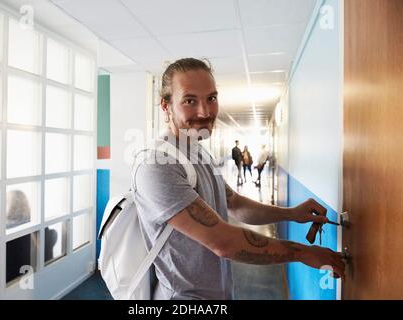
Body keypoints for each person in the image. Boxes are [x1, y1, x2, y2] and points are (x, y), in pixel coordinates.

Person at [132, 58, 344, 300]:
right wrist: (303, 253)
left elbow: (235, 203)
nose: (205, 111)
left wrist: (291, 214)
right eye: (190, 100)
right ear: (166, 106)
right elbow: (223, 242)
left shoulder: (198, 151)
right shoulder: (157, 165)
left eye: (211, 98)